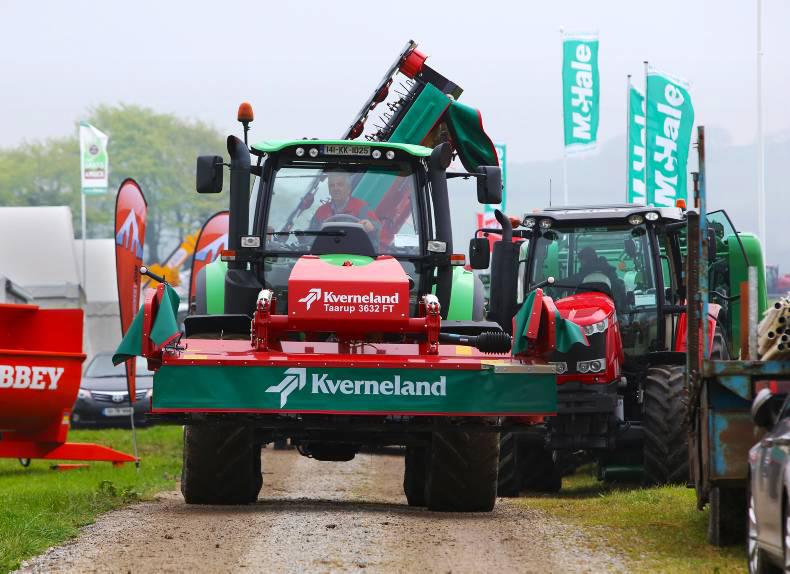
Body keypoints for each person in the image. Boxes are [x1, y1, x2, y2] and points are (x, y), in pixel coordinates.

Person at [309, 172, 379, 233]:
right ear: (329, 190)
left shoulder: (361, 207)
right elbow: (311, 235)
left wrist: (372, 226)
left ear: (348, 188)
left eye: (340, 185)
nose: (336, 188)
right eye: (332, 185)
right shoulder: (321, 211)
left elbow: (377, 227)